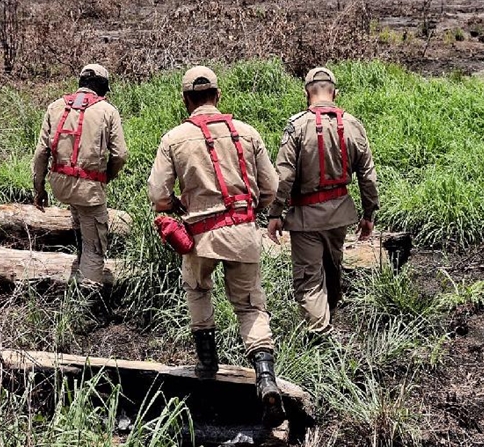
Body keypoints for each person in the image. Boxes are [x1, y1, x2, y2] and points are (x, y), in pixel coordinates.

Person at [147, 66, 285, 426]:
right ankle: (266, 378)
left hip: (200, 236)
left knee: (197, 289)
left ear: (185, 100)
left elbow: (158, 196)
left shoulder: (174, 138)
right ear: (218, 96)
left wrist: (178, 205)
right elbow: (271, 189)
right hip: (243, 232)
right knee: (251, 305)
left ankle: (207, 363)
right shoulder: (248, 133)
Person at [267, 66, 379, 337]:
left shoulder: (296, 125)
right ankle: (329, 319)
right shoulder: (353, 125)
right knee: (332, 268)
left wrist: (275, 213)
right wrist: (369, 214)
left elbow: (283, 176)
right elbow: (368, 176)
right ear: (335, 93)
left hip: (306, 218)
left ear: (307, 93)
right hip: (340, 214)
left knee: (308, 281)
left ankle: (322, 337)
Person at [32, 64, 128, 285]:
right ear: (103, 87)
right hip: (90, 189)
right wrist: (106, 176)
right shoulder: (107, 111)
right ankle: (87, 303)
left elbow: (40, 154)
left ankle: (79, 256)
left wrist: (39, 189)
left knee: (78, 215)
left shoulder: (55, 107)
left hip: (60, 185)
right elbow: (120, 155)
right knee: (95, 248)